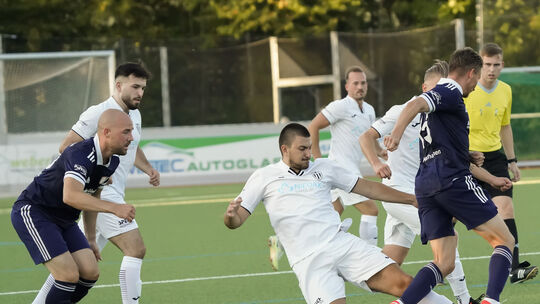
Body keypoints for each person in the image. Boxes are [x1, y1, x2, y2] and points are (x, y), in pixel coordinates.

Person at [225, 123, 455, 304]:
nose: (308, 153)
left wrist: (411, 199)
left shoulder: (323, 168)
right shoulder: (264, 176)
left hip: (341, 244)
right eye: (302, 149)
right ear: (284, 149)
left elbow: (368, 187)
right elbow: (237, 221)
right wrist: (231, 216)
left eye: (309, 147)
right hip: (308, 261)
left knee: (405, 284)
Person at [384, 48, 515, 304]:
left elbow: (438, 139)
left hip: (426, 185)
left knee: (444, 262)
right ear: (471, 73)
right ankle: (491, 300)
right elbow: (415, 103)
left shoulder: (445, 97)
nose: (476, 87)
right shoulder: (451, 90)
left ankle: (402, 303)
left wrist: (466, 155)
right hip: (451, 180)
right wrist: (397, 134)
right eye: (476, 79)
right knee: (505, 240)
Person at [360, 60, 495, 304]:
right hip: (401, 195)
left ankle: (341, 270)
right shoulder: (402, 110)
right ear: (424, 87)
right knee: (448, 238)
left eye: (443, 86)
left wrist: (470, 156)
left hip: (419, 193)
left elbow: (445, 153)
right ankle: (465, 300)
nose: (439, 94)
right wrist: (377, 163)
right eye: (434, 88)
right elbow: (365, 137)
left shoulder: (440, 116)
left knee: (386, 264)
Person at [33, 62, 160, 304]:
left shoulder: (134, 114)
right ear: (119, 85)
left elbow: (132, 146)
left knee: (71, 265)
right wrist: (95, 173)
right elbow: (66, 147)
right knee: (136, 249)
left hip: (104, 197)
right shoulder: (98, 113)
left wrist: (148, 168)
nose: (140, 93)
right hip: (101, 194)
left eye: (143, 88)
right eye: (135, 87)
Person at [11, 109, 136, 304]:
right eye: (126, 132)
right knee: (68, 275)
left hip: (65, 221)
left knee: (90, 272)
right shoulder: (80, 153)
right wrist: (114, 208)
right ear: (106, 132)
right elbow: (71, 196)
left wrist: (91, 238)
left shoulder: (112, 160)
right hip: (35, 212)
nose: (132, 137)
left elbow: (94, 193)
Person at [464, 42, 537, 284]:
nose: (491, 70)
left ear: (502, 65)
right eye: (487, 65)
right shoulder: (466, 91)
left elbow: (505, 126)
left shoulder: (505, 90)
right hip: (466, 159)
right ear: (479, 65)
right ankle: (443, 268)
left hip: (495, 159)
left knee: (506, 209)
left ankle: (514, 269)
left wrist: (512, 161)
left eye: (496, 65)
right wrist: (464, 152)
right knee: (450, 217)